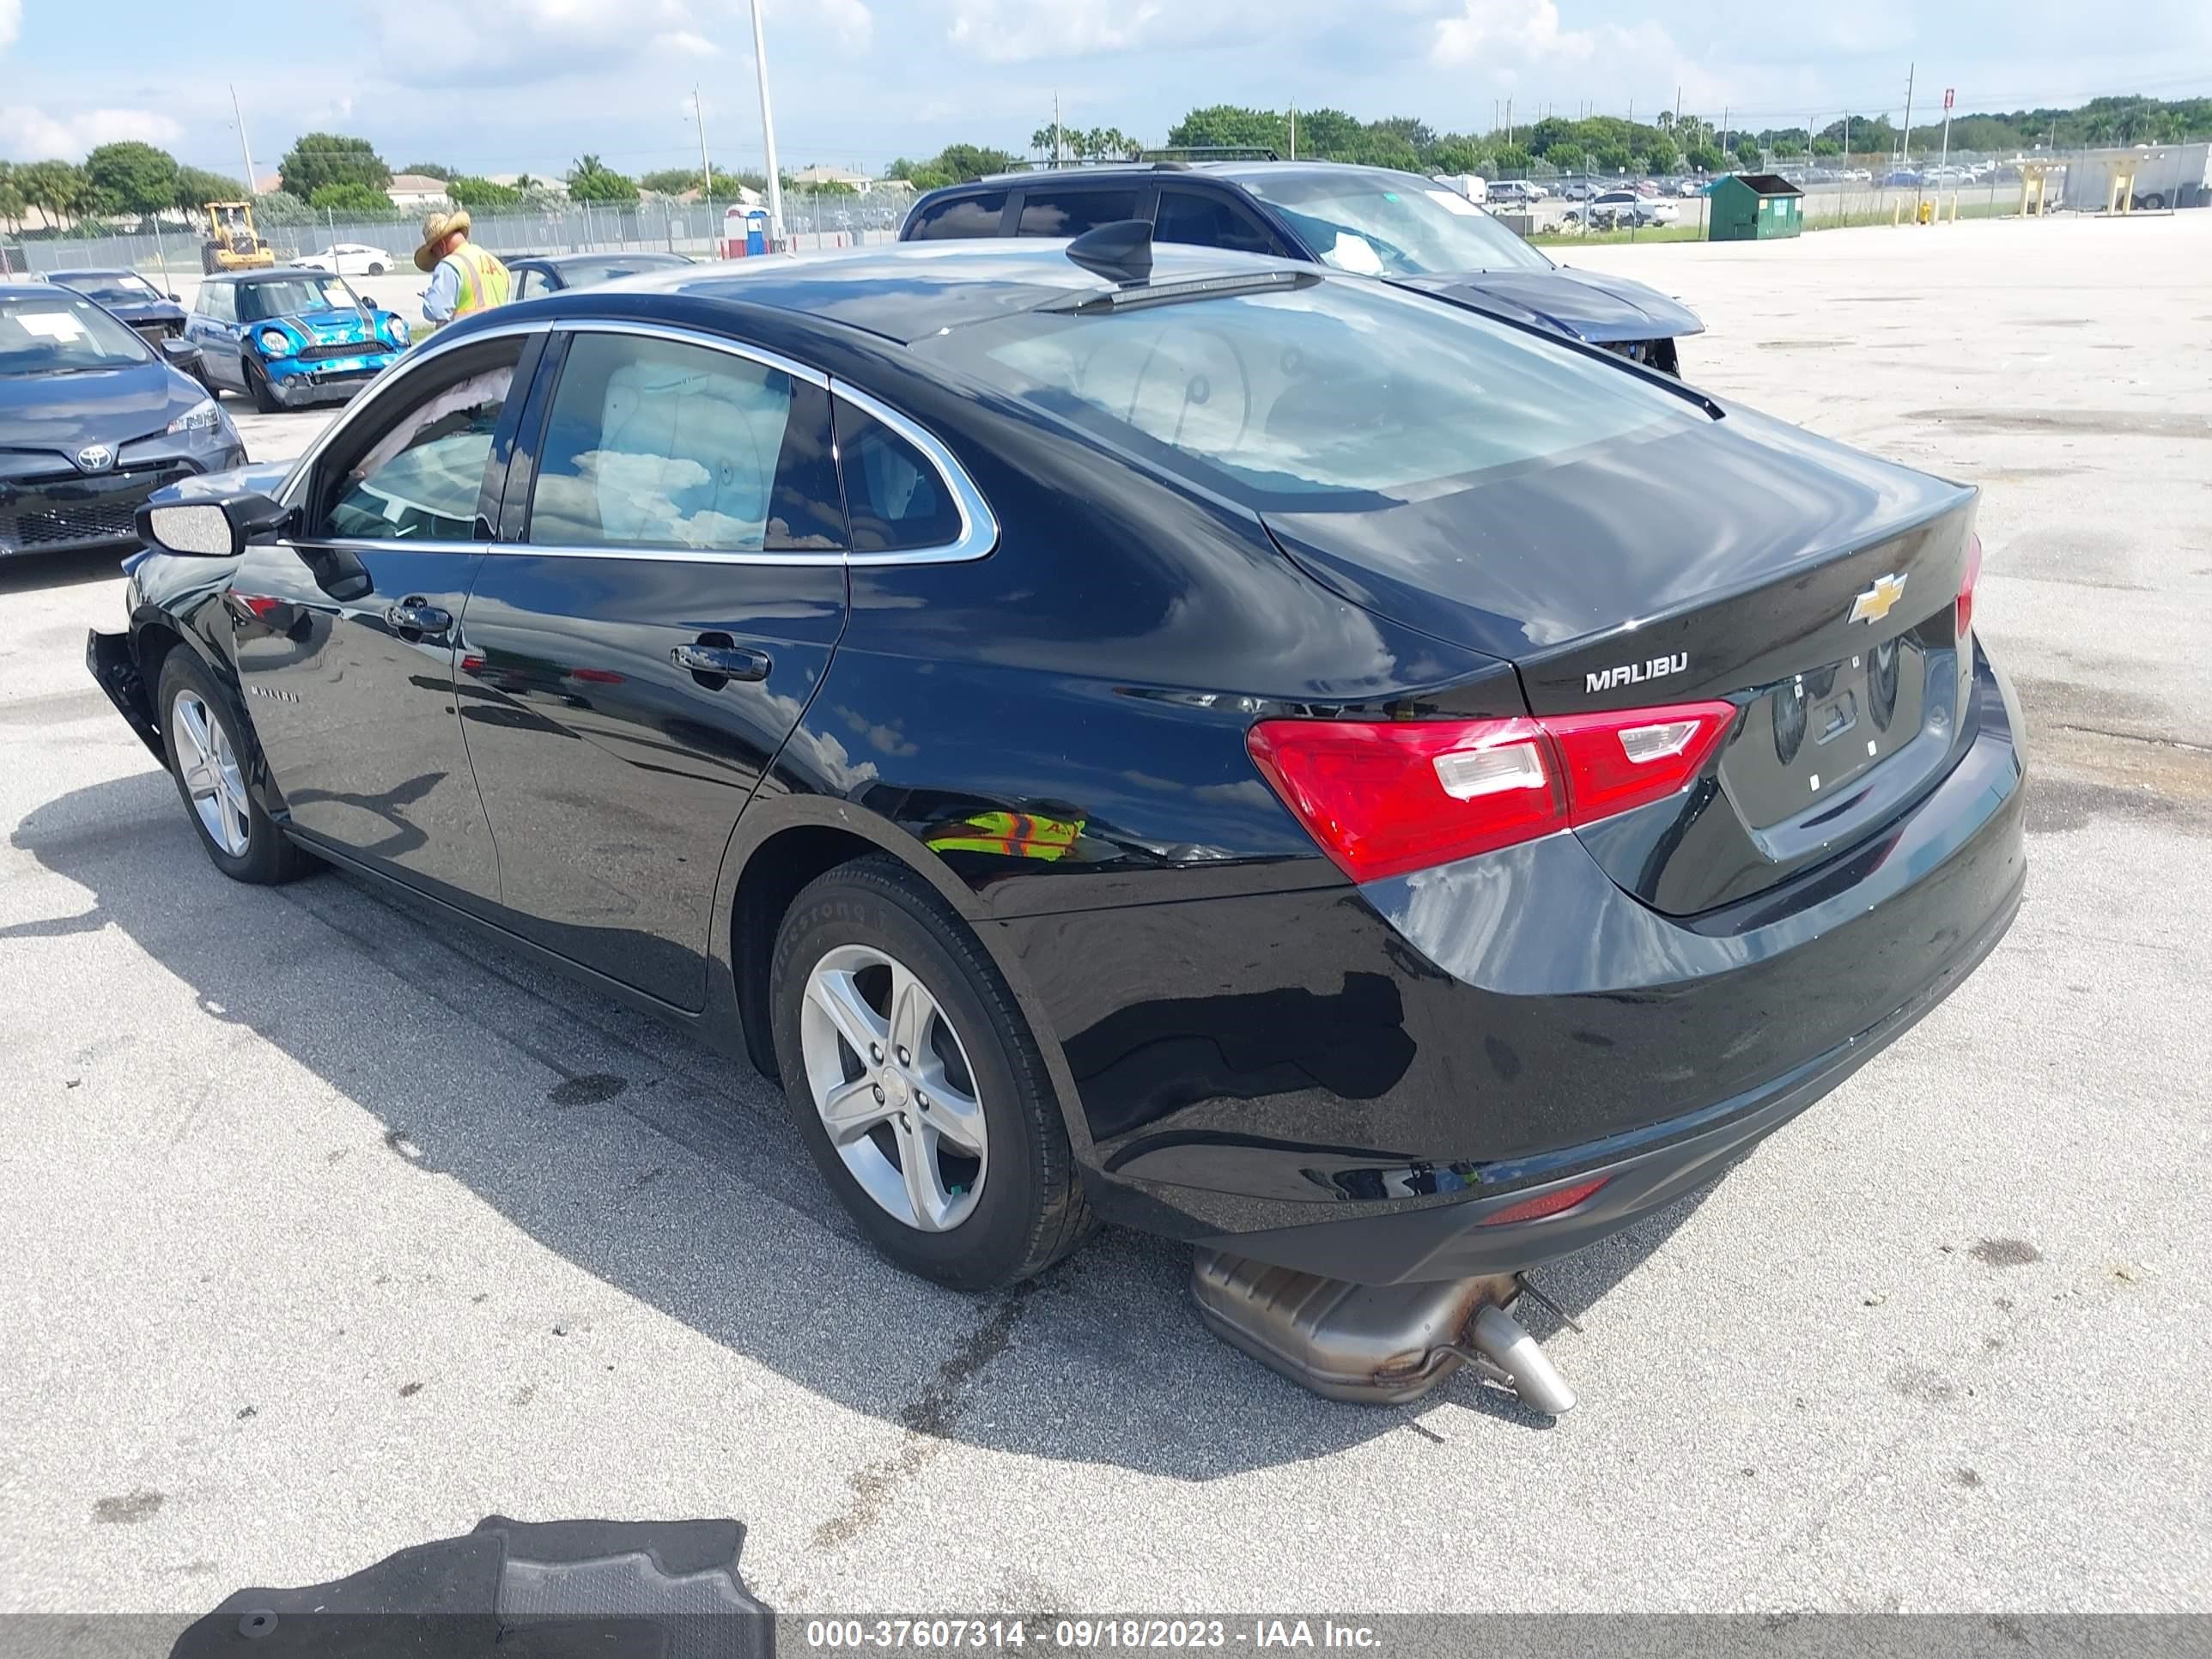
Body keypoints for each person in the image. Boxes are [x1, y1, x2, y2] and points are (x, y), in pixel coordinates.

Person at [413, 209, 511, 329]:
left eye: (434, 253)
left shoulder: (450, 265)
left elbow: (436, 310)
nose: (437, 258)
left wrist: (430, 296)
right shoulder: (498, 265)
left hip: (468, 340)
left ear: (441, 245)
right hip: (500, 339)